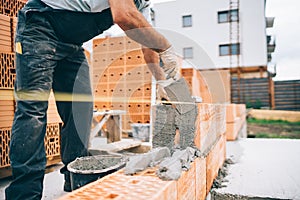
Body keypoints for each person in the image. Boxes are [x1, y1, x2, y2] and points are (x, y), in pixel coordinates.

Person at [5, 0, 180, 199]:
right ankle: (24, 193)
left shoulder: (143, 4)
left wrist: (162, 81)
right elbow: (123, 14)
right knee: (33, 111)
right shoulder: (131, 7)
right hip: (40, 26)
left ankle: (76, 177)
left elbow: (147, 46)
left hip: (71, 44)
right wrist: (165, 45)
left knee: (80, 109)